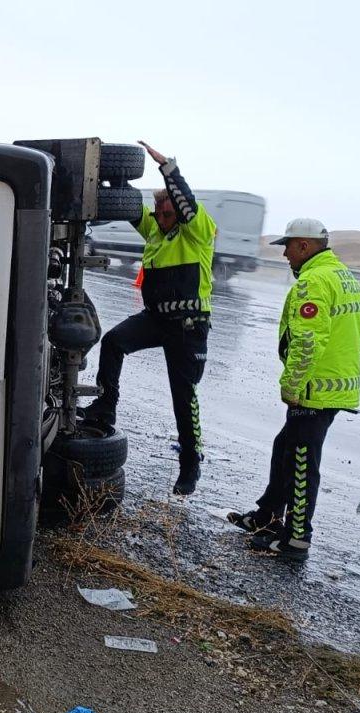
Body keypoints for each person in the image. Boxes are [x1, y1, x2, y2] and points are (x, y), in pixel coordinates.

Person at [81, 141, 216, 495]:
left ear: (180, 210)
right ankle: (105, 408)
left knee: (182, 396)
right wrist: (115, 175)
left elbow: (185, 202)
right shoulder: (156, 230)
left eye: (165, 208)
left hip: (188, 326)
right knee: (113, 342)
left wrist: (167, 167)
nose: (158, 214)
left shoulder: (198, 231)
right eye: (156, 209)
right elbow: (128, 205)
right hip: (156, 318)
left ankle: (191, 464)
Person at [227, 218, 360, 560]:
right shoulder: (341, 275)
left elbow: (306, 340)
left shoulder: (314, 282)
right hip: (333, 384)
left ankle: (296, 539)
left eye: (288, 246)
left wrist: (291, 385)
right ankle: (268, 517)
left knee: (302, 459)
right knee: (285, 446)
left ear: (305, 246)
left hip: (314, 387)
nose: (285, 254)